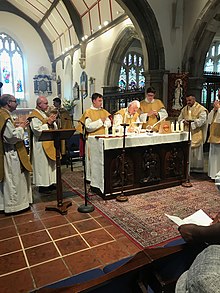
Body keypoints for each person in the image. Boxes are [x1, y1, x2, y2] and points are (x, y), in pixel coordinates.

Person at [0, 94, 32, 213]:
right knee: (13, 179)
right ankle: (15, 206)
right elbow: (11, 137)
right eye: (15, 101)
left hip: (9, 151)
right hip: (10, 152)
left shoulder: (4, 114)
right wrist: (22, 127)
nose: (17, 103)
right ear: (8, 103)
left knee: (13, 179)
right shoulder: (4, 116)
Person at [76, 92, 111, 181]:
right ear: (94, 101)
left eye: (101, 100)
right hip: (92, 139)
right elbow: (88, 127)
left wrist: (103, 122)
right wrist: (100, 122)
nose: (101, 102)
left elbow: (109, 123)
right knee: (92, 160)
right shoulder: (88, 112)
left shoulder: (104, 111)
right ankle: (90, 178)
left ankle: (101, 177)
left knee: (101, 159)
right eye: (99, 101)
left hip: (103, 138)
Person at [28, 96, 57, 193]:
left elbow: (53, 126)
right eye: (45, 103)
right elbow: (37, 130)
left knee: (49, 165)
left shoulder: (44, 114)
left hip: (48, 142)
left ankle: (50, 183)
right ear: (39, 104)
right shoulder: (34, 115)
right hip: (40, 144)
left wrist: (52, 123)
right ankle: (43, 186)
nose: (47, 105)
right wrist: (48, 123)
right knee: (42, 165)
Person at [178, 94, 208, 173]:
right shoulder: (184, 109)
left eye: (190, 100)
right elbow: (179, 119)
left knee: (196, 153)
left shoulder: (201, 109)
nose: (188, 102)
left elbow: (203, 120)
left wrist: (191, 124)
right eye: (187, 100)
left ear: (194, 99)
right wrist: (183, 121)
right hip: (187, 133)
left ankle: (197, 171)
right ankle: (188, 170)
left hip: (196, 133)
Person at [207, 99, 220, 180]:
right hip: (214, 135)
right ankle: (213, 174)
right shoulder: (216, 109)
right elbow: (209, 120)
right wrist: (214, 110)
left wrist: (218, 108)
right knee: (213, 156)